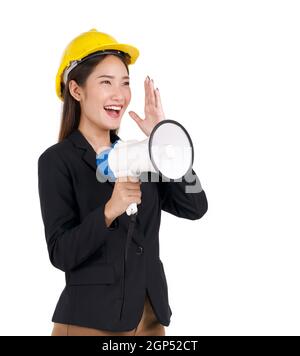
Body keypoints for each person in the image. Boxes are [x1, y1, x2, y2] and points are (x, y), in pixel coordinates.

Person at [38, 28, 208, 336]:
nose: (120, 94)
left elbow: (196, 206)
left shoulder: (140, 155)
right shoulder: (57, 161)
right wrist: (108, 211)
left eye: (125, 83)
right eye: (106, 82)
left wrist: (164, 144)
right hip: (90, 320)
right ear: (76, 90)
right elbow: (61, 253)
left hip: (150, 318)